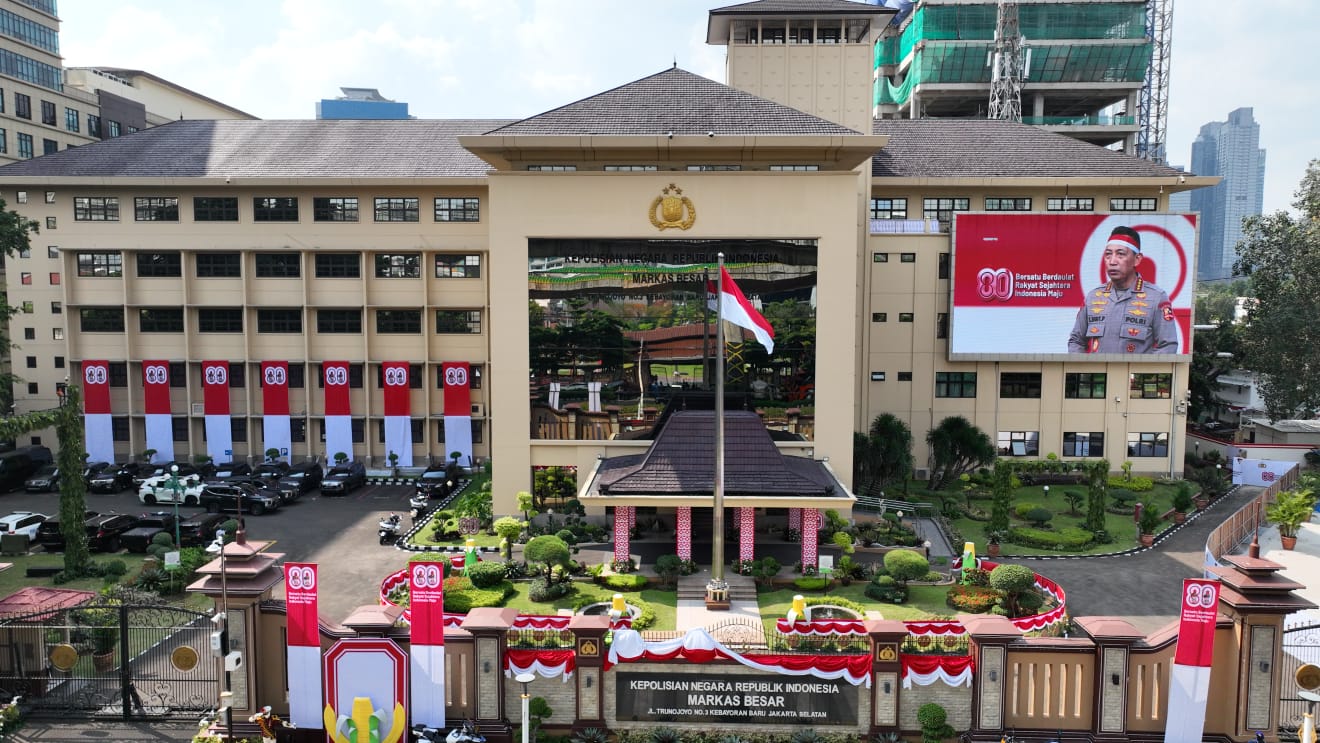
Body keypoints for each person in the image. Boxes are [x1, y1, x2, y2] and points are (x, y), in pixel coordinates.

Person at [1067, 225, 1178, 354]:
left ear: (1137, 259)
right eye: (1108, 255)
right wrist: (1083, 366)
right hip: (1097, 368)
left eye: (1120, 254)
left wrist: (1140, 368)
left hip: (1136, 368)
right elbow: (1076, 341)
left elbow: (1168, 346)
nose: (1112, 261)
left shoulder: (1156, 297)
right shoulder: (1093, 297)